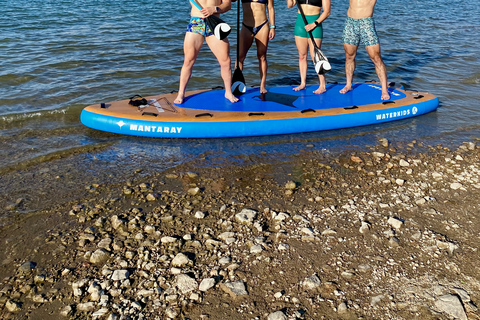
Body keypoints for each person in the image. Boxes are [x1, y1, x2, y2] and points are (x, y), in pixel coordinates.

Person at [174, 0, 239, 104]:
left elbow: (228, 5)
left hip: (214, 23)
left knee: (226, 61)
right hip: (196, 23)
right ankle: (181, 93)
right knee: (188, 61)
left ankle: (228, 92)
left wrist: (214, 9)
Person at [339, 0, 390, 100]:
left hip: (366, 23)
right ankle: (348, 84)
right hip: (350, 22)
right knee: (349, 56)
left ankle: (384, 90)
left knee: (376, 58)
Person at [286, 0, 331, 94]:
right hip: (300, 23)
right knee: (302, 56)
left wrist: (314, 24)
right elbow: (290, 5)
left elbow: (327, 12)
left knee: (315, 56)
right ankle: (302, 83)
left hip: (315, 24)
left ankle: (322, 85)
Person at [237, 0, 276, 94]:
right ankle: (237, 83)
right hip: (246, 26)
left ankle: (262, 85)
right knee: (240, 57)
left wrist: (273, 27)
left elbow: (270, 8)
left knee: (262, 56)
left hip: (262, 26)